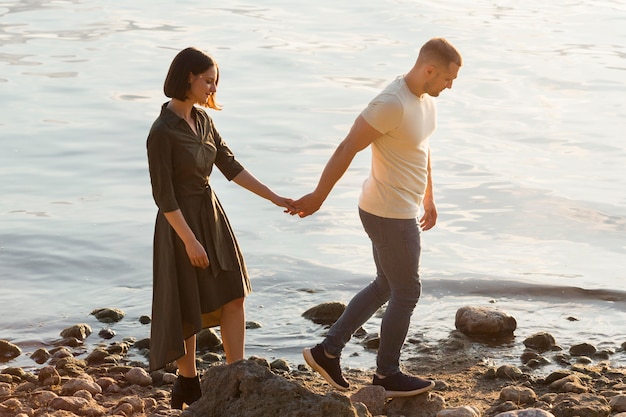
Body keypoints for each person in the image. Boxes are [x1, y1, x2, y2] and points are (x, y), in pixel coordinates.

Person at [292, 38, 462, 398]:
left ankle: (327, 350)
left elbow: (421, 148)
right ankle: (386, 374)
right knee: (407, 291)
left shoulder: (426, 101)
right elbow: (347, 146)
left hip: (401, 208)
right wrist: (319, 197)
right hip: (389, 213)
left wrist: (429, 196)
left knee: (386, 284)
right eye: (448, 79)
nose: (450, 86)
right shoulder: (391, 102)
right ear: (429, 70)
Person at [146, 47, 294, 409]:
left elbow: (231, 166)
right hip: (179, 223)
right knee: (186, 302)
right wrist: (190, 241)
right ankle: (187, 381)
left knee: (234, 293)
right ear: (188, 78)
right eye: (208, 81)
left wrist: (275, 197)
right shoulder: (161, 132)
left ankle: (236, 374)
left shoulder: (204, 120)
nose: (212, 88)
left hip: (211, 215)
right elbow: (163, 196)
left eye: (215, 81)